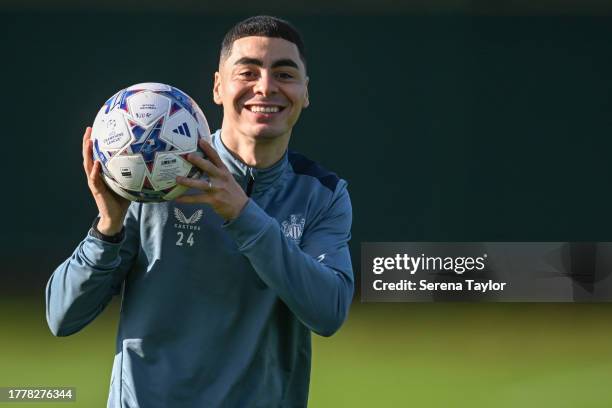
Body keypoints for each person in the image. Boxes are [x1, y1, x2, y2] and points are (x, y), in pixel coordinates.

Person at [45, 15, 354, 407]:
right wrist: (108, 227)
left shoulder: (322, 194)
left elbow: (328, 312)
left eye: (284, 74)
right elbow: (62, 317)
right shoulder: (155, 178)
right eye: (247, 72)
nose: (265, 87)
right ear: (217, 87)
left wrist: (242, 214)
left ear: (305, 92)